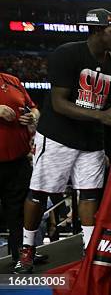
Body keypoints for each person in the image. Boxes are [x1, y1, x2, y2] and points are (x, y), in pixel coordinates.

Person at [15, 8, 111, 274]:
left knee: (90, 193)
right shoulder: (67, 54)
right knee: (39, 192)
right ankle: (27, 248)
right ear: (98, 31)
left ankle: (90, 249)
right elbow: (58, 103)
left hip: (91, 140)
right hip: (58, 135)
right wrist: (102, 116)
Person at [0, 72, 39, 265]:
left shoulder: (12, 80)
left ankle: (22, 258)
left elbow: (32, 107)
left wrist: (32, 116)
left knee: (20, 213)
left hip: (18, 161)